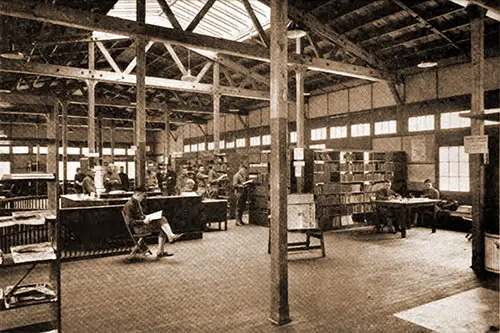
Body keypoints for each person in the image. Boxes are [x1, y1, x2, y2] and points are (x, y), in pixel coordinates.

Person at [122, 186, 183, 258]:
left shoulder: (136, 202)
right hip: (138, 228)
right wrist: (143, 221)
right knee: (162, 224)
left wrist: (147, 217)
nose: (144, 198)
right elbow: (129, 222)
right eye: (143, 196)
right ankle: (169, 238)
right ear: (138, 194)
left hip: (142, 225)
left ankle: (164, 245)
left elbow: (140, 216)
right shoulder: (129, 205)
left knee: (162, 222)